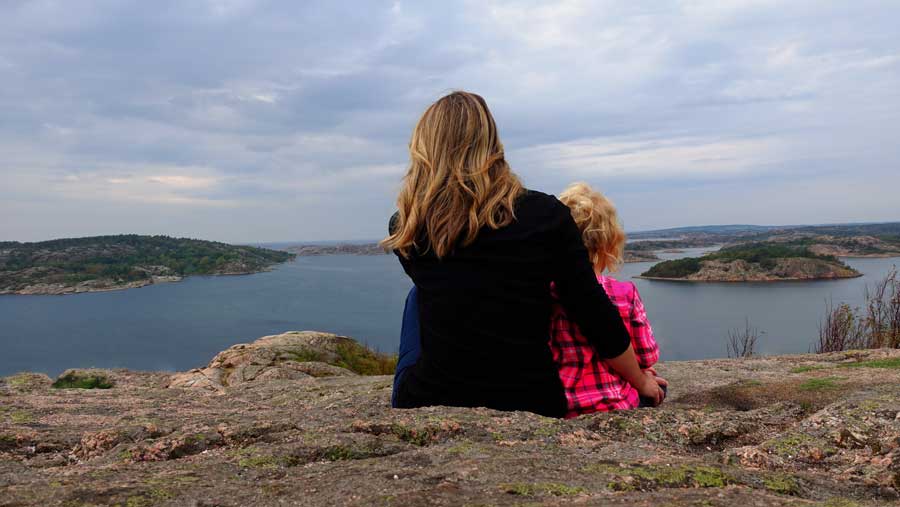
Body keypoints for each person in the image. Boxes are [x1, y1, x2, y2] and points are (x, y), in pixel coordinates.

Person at [383, 91, 665, 417]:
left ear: (423, 150)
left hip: (431, 396)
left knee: (419, 294)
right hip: (531, 399)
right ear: (490, 144)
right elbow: (593, 311)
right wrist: (640, 380)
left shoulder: (407, 226)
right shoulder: (545, 214)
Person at [551, 183, 666, 417]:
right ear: (609, 243)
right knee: (660, 387)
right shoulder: (623, 293)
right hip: (616, 402)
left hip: (558, 402)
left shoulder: (542, 291)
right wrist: (642, 375)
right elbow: (648, 355)